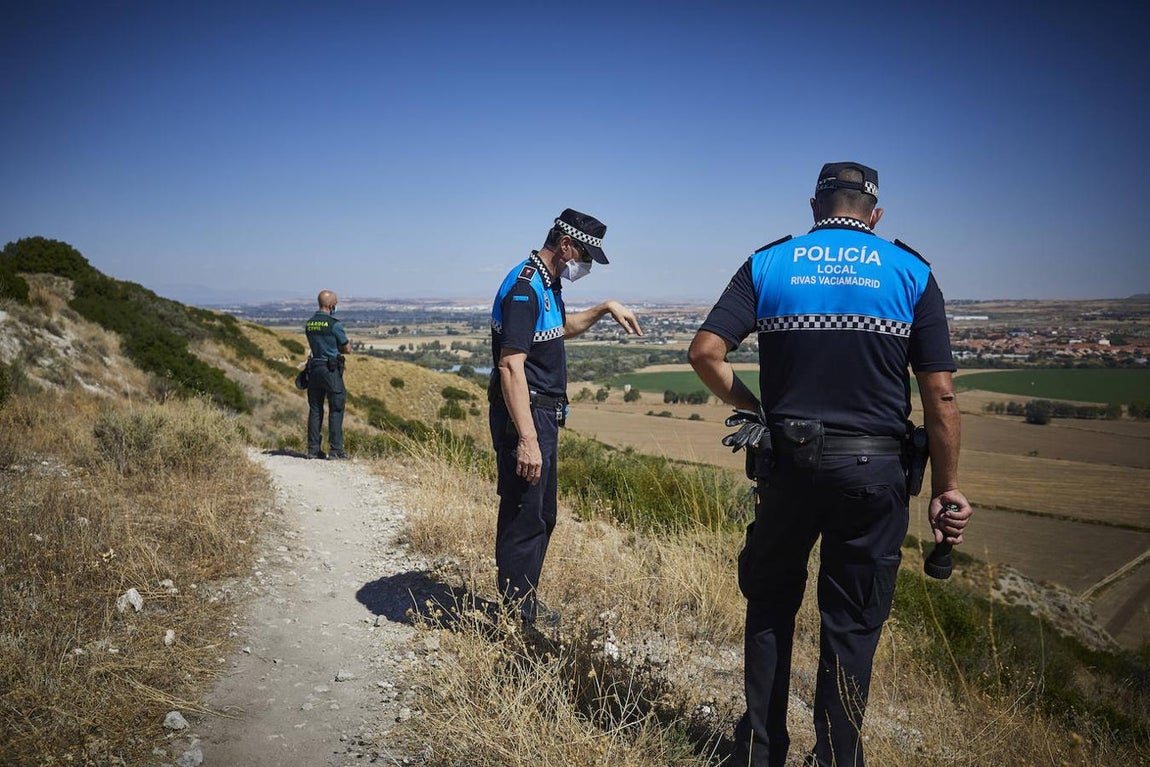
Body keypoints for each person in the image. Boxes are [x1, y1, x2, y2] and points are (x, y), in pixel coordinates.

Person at [688, 162, 972, 767]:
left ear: (815, 209)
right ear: (875, 215)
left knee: (769, 605)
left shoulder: (769, 263)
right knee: (850, 625)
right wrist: (947, 488)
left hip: (787, 466)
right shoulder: (911, 272)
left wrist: (759, 406)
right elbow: (940, 397)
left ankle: (762, 754)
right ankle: (837, 759)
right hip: (873, 477)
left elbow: (705, 352)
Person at [488, 208, 643, 624]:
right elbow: (510, 366)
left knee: (542, 514)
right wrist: (527, 438)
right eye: (585, 256)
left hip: (543, 414)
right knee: (525, 515)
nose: (586, 265)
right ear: (567, 245)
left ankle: (523, 602)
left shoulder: (547, 283)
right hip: (528, 414)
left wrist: (605, 307)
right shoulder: (525, 289)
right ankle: (515, 616)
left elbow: (561, 329)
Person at [304, 289, 351, 460]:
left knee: (315, 409)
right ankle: (336, 450)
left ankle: (313, 450)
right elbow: (346, 348)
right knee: (336, 408)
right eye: (335, 304)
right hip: (330, 370)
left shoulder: (309, 324)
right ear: (331, 305)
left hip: (314, 370)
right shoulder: (334, 324)